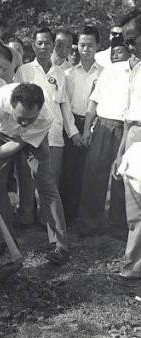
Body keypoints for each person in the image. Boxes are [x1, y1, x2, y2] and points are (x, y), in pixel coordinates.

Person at [0, 82, 70, 265]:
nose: (24, 122)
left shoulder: (46, 115)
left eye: (30, 119)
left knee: (46, 185)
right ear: (11, 105)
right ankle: (4, 240)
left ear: (38, 110)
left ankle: (61, 245)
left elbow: (17, 144)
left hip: (29, 140)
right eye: (21, 117)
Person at [15, 27, 81, 186]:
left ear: (53, 46)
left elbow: (64, 107)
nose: (43, 47)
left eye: (47, 43)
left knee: (51, 185)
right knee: (29, 185)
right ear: (33, 46)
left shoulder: (60, 74)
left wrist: (73, 132)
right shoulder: (24, 71)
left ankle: (48, 213)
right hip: (30, 137)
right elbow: (16, 107)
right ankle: (27, 212)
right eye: (40, 43)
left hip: (55, 137)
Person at [79, 36, 130, 237]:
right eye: (112, 51)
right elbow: (93, 102)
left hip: (126, 126)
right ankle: (90, 223)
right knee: (93, 172)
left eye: (119, 51)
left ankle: (118, 225)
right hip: (102, 124)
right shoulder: (107, 71)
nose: (114, 55)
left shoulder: (137, 71)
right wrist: (86, 130)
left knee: (121, 175)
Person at [61, 26, 103, 225]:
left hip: (95, 124)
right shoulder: (69, 74)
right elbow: (65, 105)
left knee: (90, 172)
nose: (86, 49)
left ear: (98, 46)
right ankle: (68, 215)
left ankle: (87, 216)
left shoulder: (103, 73)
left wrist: (89, 130)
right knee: (70, 171)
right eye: (82, 45)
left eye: (91, 45)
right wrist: (74, 133)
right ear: (77, 47)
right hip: (73, 125)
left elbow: (100, 103)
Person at [112, 8, 141, 283]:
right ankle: (133, 269)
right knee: (135, 213)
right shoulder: (135, 68)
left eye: (133, 39)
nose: (129, 46)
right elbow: (129, 116)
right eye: (127, 41)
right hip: (133, 138)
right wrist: (121, 152)